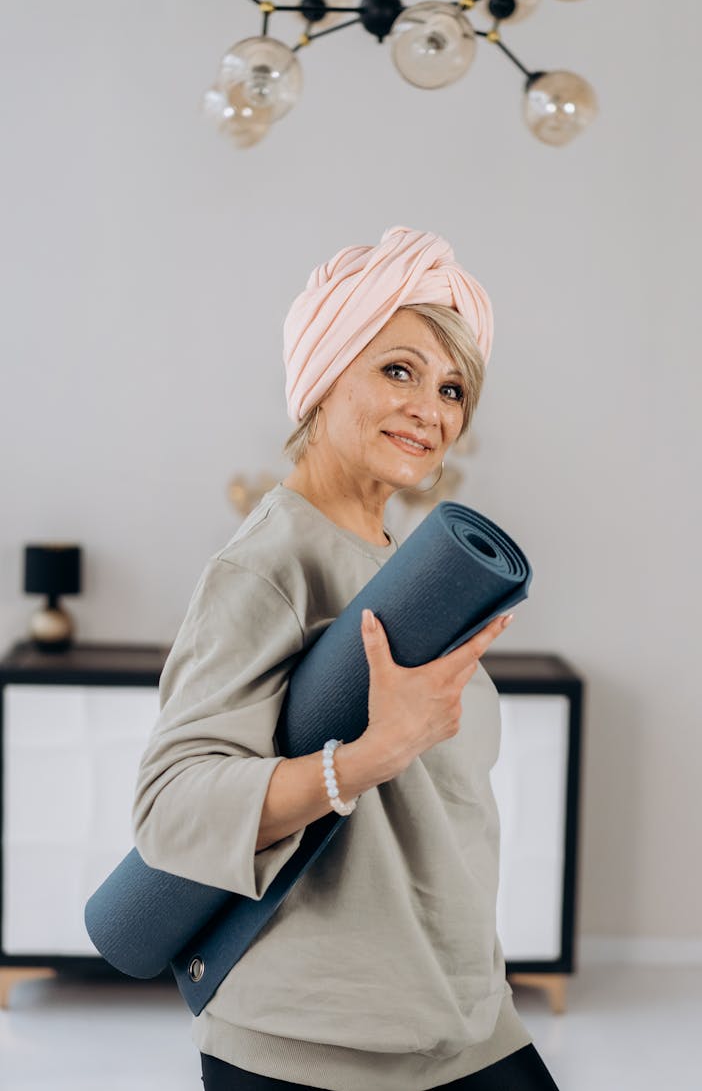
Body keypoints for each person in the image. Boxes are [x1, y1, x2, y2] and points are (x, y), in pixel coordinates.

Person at [132, 226, 561, 1091]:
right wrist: (369, 756)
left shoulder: (404, 568)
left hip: (464, 1015)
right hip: (314, 1045)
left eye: (452, 388)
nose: (430, 409)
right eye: (397, 370)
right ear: (324, 378)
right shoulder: (267, 564)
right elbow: (170, 808)